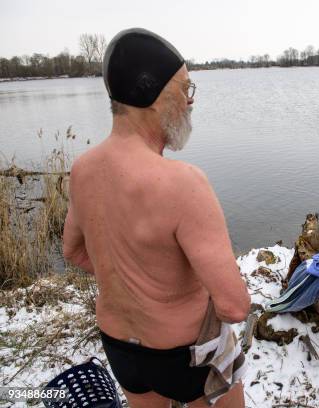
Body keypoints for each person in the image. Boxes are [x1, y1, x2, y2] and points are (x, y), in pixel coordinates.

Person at [62, 28, 251, 408]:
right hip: (185, 356)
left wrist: (138, 284)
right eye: (185, 88)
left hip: (119, 346)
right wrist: (171, 293)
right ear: (151, 91)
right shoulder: (183, 182)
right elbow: (234, 305)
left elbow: (73, 251)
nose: (190, 101)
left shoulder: (83, 170)